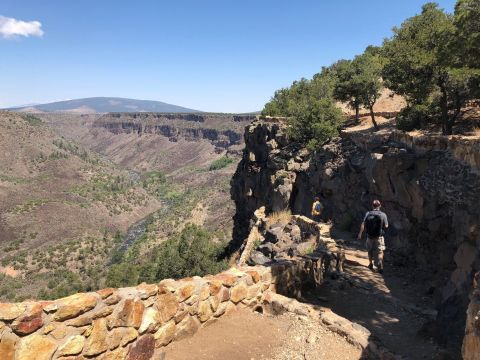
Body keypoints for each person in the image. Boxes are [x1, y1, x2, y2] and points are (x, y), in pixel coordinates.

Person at [357, 200, 388, 273]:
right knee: (380, 251)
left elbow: (363, 224)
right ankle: (380, 263)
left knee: (369, 250)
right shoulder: (383, 214)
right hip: (379, 236)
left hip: (369, 236)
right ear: (380, 206)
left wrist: (360, 233)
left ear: (372, 206)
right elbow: (386, 226)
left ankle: (370, 264)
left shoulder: (368, 213)